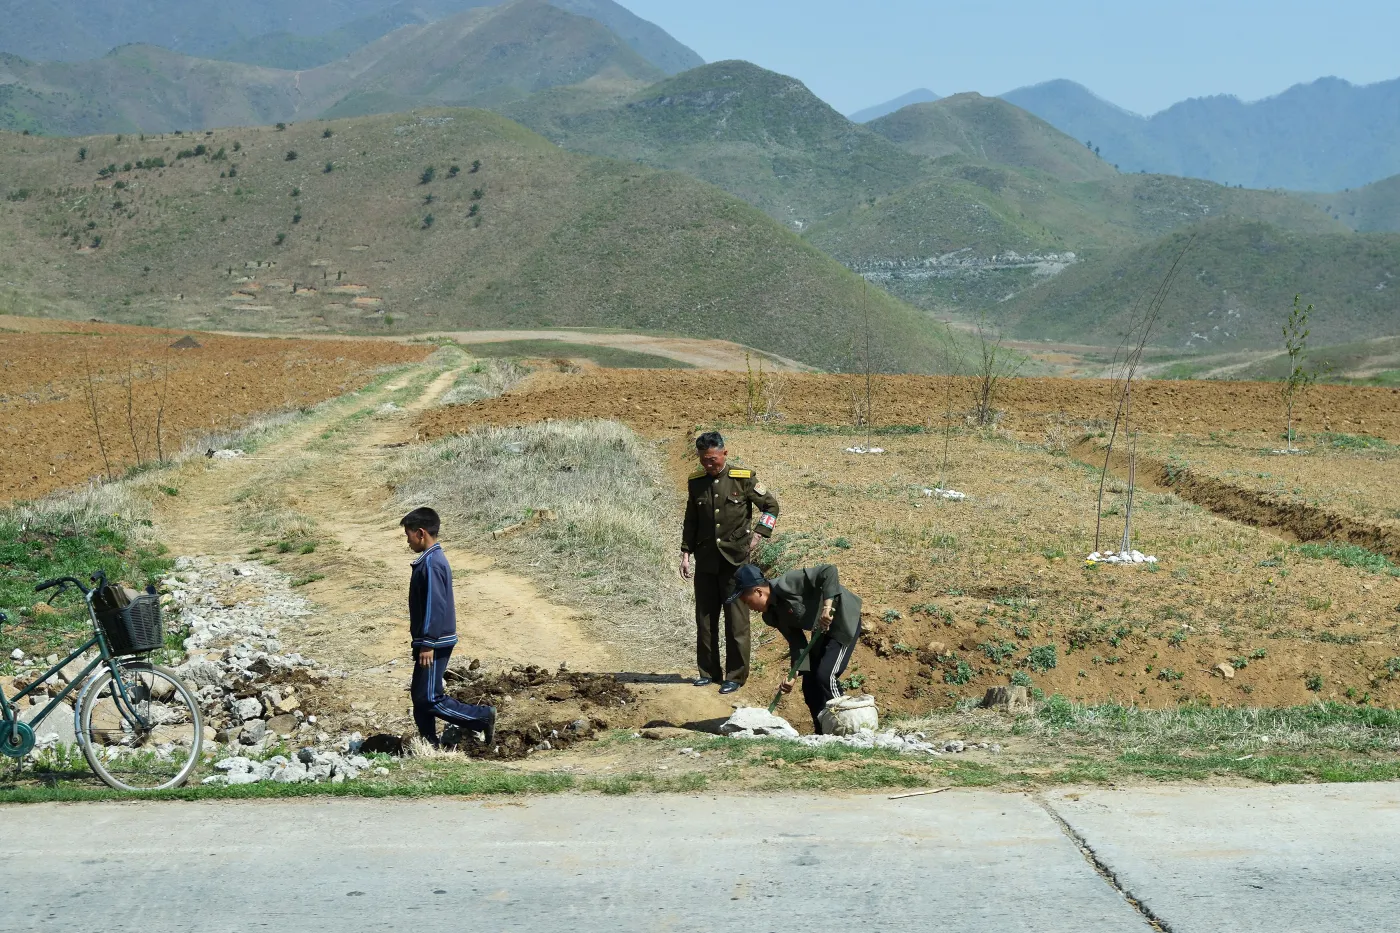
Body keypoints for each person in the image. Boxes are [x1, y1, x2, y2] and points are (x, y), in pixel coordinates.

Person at [680, 431, 780, 695]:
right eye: (703, 460)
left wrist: (760, 534)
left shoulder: (743, 479)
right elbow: (692, 519)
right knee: (705, 619)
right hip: (706, 561)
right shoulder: (696, 482)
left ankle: (735, 676)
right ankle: (708, 672)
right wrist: (685, 553)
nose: (708, 465)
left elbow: (771, 507)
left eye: (712, 459)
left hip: (735, 562)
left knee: (736, 622)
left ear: (724, 453)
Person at [401, 507, 495, 749]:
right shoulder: (430, 560)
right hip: (430, 641)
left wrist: (428, 642)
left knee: (429, 697)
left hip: (435, 642)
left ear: (421, 533)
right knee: (420, 695)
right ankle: (429, 743)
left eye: (408, 534)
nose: (407, 540)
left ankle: (481, 717)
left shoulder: (432, 563)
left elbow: (435, 605)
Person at [730, 562, 863, 733]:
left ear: (758, 591)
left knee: (825, 675)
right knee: (809, 683)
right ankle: (822, 732)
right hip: (822, 630)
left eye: (747, 602)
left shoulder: (788, 583)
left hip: (842, 619)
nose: (750, 608)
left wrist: (827, 607)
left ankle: (845, 726)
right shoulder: (771, 615)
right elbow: (797, 642)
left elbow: (829, 571)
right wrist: (795, 673)